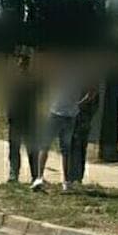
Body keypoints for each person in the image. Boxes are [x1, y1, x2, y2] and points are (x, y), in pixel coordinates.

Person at [45, 61, 99, 192]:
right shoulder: (76, 69)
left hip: (80, 111)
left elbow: (93, 91)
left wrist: (80, 104)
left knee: (77, 144)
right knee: (73, 145)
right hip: (72, 109)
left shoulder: (84, 71)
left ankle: (74, 177)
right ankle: (71, 177)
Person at [5, 52, 41, 185]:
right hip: (15, 118)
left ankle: (35, 175)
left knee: (32, 147)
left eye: (23, 64)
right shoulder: (14, 81)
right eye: (19, 63)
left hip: (29, 118)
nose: (21, 66)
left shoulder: (33, 81)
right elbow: (10, 100)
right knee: (14, 147)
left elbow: (38, 97)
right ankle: (13, 174)